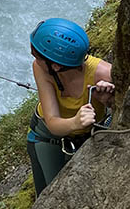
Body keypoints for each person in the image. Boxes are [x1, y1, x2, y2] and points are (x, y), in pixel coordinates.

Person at [26, 18, 115, 196]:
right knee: (47, 196)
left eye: (36, 56)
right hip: (46, 137)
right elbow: (52, 122)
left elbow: (125, 110)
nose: (34, 60)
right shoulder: (41, 68)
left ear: (56, 66)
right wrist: (75, 122)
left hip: (86, 138)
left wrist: (108, 101)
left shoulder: (104, 74)